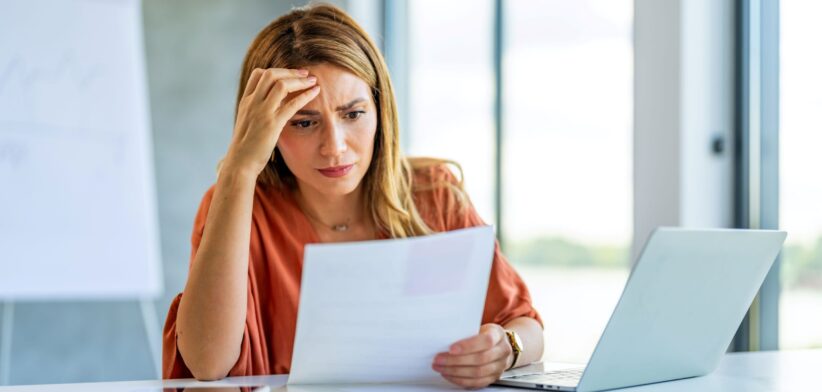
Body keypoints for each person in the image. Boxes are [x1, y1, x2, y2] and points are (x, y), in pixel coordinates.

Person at [162, 3, 543, 389]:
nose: (335, 147)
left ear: (380, 110)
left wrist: (506, 347)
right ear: (267, 129)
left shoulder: (435, 194)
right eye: (305, 122)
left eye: (353, 114)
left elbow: (527, 327)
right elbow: (207, 363)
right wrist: (238, 170)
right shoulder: (237, 205)